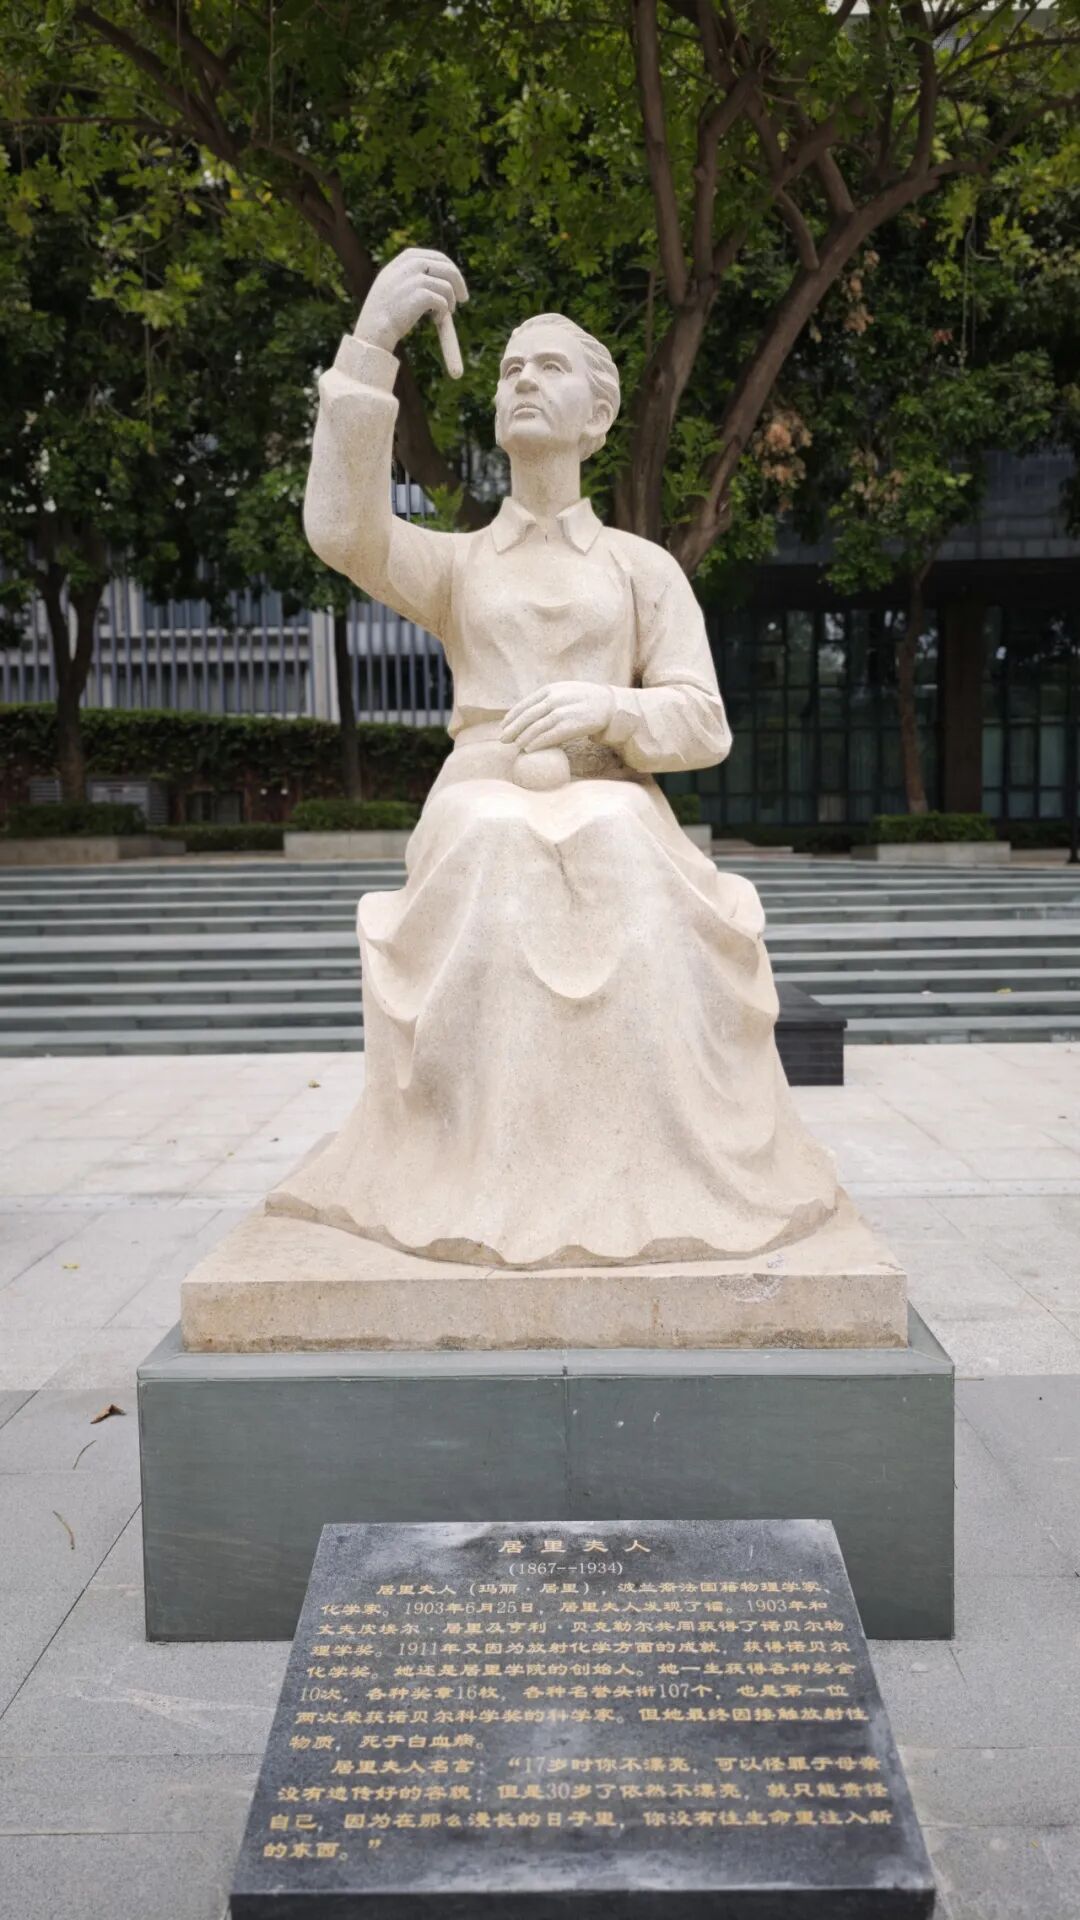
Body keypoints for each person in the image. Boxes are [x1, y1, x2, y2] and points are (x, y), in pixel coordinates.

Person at [270, 247, 838, 1269]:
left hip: (612, 787)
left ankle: (647, 1167)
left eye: (549, 366)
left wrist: (608, 707)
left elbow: (703, 723)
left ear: (599, 415)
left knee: (617, 833)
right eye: (508, 369)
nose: (522, 379)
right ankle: (477, 1170)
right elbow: (344, 530)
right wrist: (374, 341)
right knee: (491, 838)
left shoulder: (640, 568)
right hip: (482, 788)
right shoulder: (457, 565)